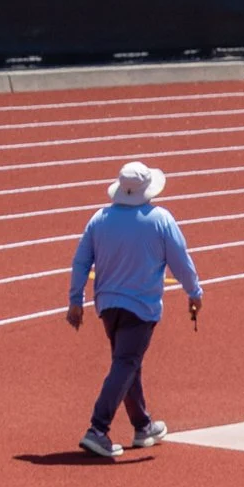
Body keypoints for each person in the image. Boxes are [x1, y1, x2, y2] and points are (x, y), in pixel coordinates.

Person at [68, 160, 203, 460]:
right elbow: (180, 260)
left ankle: (143, 425)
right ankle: (98, 428)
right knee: (126, 363)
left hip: (108, 306)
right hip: (141, 307)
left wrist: (75, 300)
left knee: (128, 363)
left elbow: (80, 261)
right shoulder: (160, 219)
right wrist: (194, 292)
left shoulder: (99, 219)